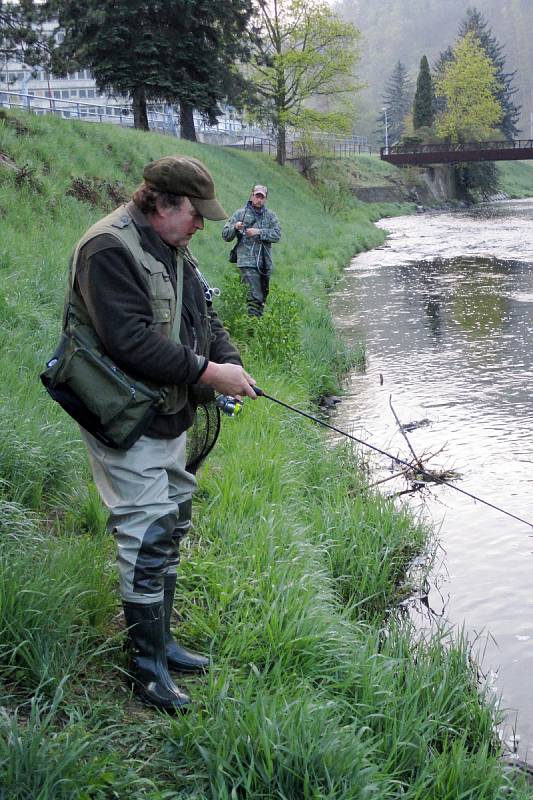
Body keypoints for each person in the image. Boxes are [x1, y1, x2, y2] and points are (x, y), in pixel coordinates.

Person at [66, 155, 257, 712]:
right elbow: (129, 342)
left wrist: (231, 364)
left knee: (171, 523)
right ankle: (146, 672)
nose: (202, 225)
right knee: (146, 536)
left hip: (169, 414)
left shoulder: (173, 248)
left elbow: (206, 322)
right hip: (125, 419)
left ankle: (164, 644)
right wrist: (208, 373)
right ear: (163, 203)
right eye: (195, 214)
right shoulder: (107, 249)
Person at [222, 184, 281, 317]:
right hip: (246, 261)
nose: (259, 199)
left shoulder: (270, 216)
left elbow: (277, 235)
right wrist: (235, 227)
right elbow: (225, 235)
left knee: (262, 297)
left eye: (262, 197)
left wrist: (258, 232)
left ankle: (255, 326)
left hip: (264, 263)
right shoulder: (240, 213)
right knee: (254, 297)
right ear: (252, 195)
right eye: (257, 196)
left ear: (265, 199)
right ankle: (252, 328)